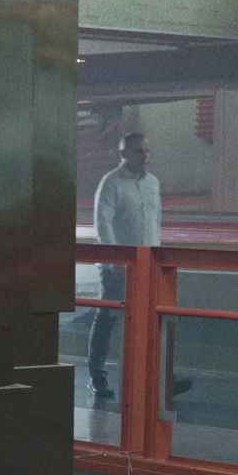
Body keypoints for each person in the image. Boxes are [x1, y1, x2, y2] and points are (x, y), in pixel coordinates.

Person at [88, 132, 163, 399]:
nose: (145, 157)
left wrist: (158, 258)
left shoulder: (153, 183)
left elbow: (155, 224)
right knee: (107, 318)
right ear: (124, 154)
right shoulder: (111, 183)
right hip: (118, 267)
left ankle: (156, 376)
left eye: (147, 151)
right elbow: (102, 222)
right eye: (139, 152)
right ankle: (97, 375)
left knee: (149, 319)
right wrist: (114, 258)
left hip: (146, 264)